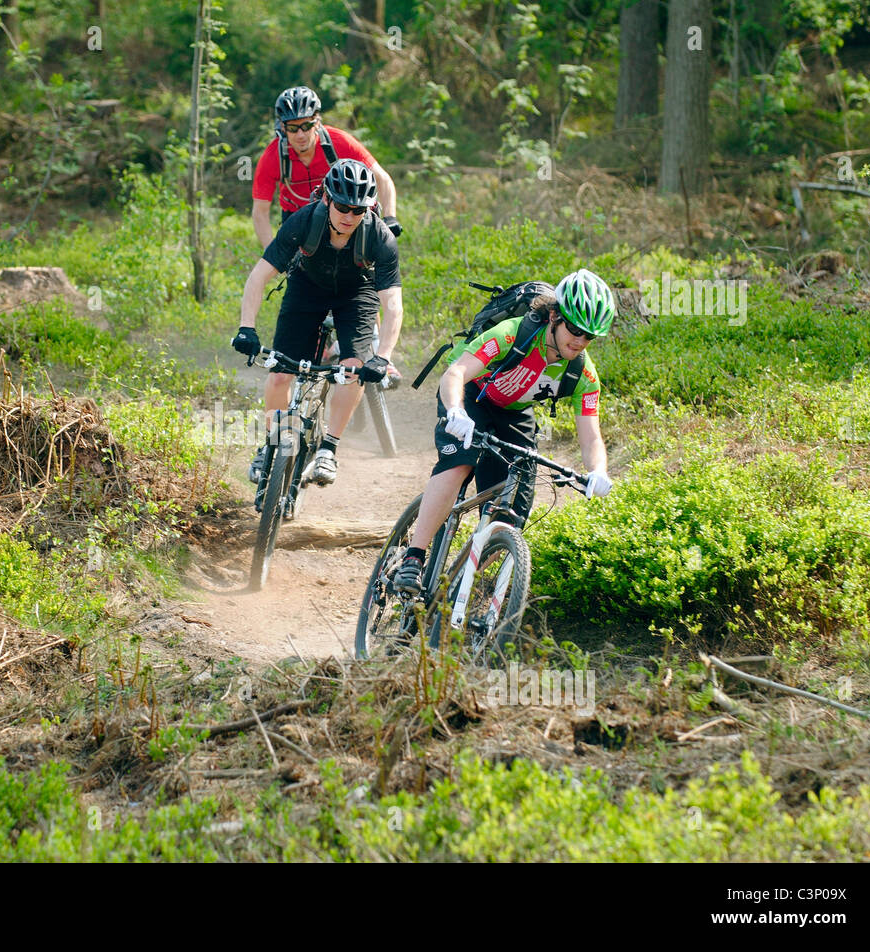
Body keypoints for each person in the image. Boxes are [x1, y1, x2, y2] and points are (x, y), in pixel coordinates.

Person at [392, 269, 618, 594]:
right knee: (460, 463)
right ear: (555, 315)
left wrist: (598, 471)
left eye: (590, 336)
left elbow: (591, 435)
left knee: (513, 510)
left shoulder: (583, 372)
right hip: (471, 394)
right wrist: (455, 411)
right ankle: (414, 558)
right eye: (576, 329)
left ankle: (456, 585)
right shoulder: (514, 333)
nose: (580, 341)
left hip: (513, 412)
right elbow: (455, 374)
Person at [232, 158, 403, 487]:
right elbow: (258, 276)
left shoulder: (380, 237)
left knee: (353, 368)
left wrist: (383, 356)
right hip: (307, 289)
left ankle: (328, 448)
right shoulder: (303, 222)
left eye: (358, 209)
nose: (350, 216)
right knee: (281, 374)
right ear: (327, 198)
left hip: (357, 295)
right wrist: (246, 328)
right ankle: (270, 443)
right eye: (343, 206)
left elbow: (392, 304)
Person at [251, 86, 400, 250]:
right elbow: (260, 212)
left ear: (317, 122)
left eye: (306, 126)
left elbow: (382, 179)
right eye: (293, 128)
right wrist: (272, 251)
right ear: (283, 128)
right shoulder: (273, 157)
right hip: (297, 219)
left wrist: (390, 218)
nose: (300, 135)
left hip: (340, 213)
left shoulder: (339, 142)